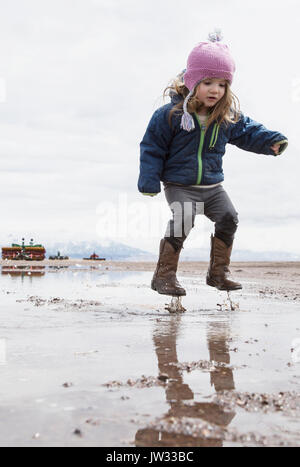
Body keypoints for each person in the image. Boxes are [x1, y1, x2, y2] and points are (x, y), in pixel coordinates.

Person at [138, 31, 288, 297]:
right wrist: (149, 180)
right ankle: (164, 277)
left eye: (222, 84)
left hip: (212, 186)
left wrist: (270, 142)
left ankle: (218, 273)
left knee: (229, 217)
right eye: (208, 82)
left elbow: (249, 132)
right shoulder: (170, 115)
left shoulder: (226, 116)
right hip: (179, 184)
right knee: (184, 218)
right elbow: (152, 147)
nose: (215, 90)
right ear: (193, 82)